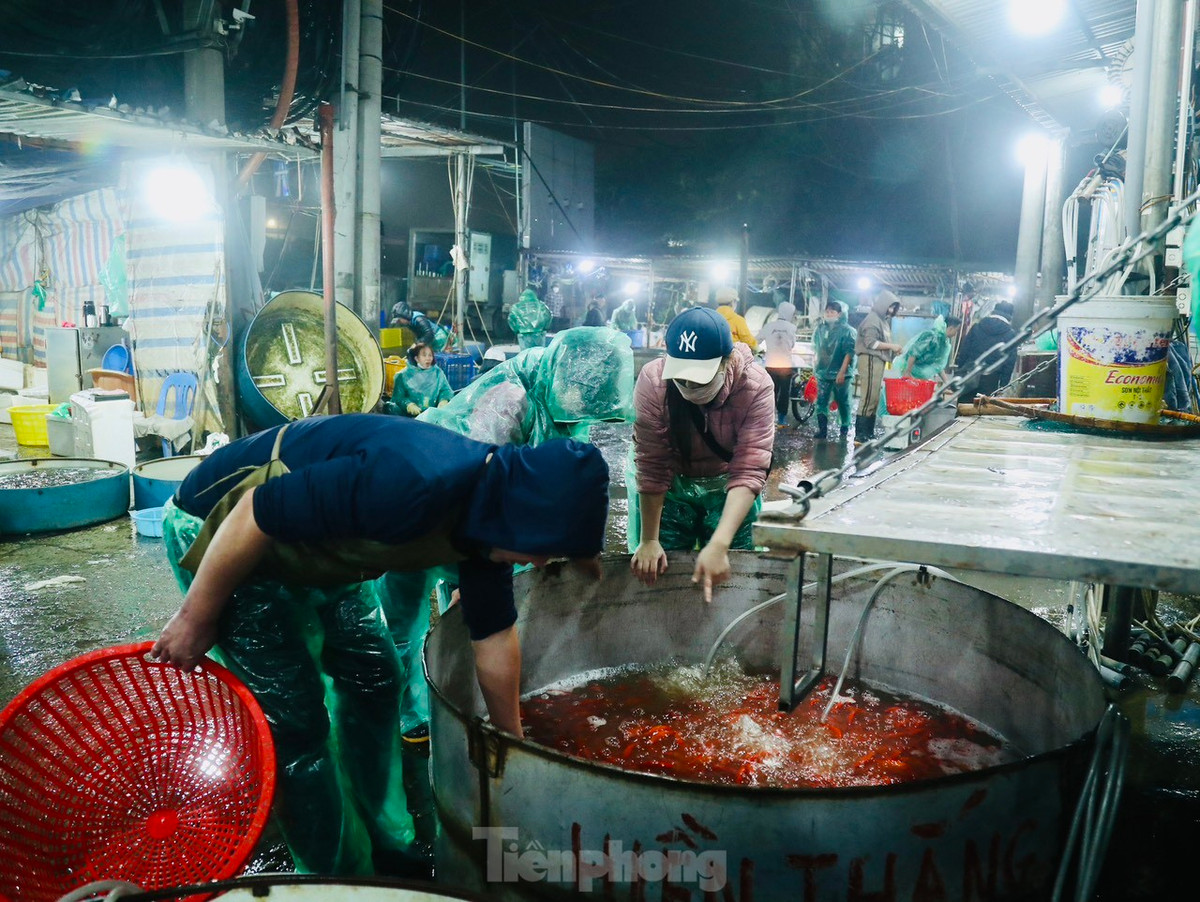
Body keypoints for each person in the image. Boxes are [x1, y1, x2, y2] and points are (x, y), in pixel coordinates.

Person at [153, 415, 609, 877]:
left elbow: (493, 639)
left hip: (318, 547)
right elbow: (255, 511)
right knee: (297, 725)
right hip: (224, 532)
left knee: (376, 678)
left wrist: (512, 744)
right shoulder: (413, 482)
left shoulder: (494, 517)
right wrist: (196, 616)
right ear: (521, 515)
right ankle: (337, 876)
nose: (536, 561)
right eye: (541, 548)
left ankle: (386, 838)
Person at [629, 306, 774, 601]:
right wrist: (649, 539)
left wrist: (720, 543)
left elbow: (749, 466)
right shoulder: (654, 382)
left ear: (726, 361)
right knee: (662, 573)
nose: (689, 387)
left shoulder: (756, 386)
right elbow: (653, 461)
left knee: (732, 577)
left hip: (728, 488)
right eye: (681, 379)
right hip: (671, 490)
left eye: (699, 380)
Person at [854, 289, 903, 439]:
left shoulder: (883, 321)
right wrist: (891, 347)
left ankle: (868, 432)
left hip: (878, 361)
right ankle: (860, 434)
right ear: (883, 304)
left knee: (874, 398)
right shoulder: (872, 319)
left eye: (894, 307)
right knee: (868, 397)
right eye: (891, 306)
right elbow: (871, 343)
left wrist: (893, 350)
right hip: (869, 359)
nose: (892, 310)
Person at [812, 299, 857, 440]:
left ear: (840, 314)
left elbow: (849, 353)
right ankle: (822, 430)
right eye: (827, 311)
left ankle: (844, 427)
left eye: (832, 311)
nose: (829, 314)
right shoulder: (820, 329)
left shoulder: (848, 331)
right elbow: (816, 348)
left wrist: (842, 372)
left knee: (843, 401)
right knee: (821, 401)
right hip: (823, 372)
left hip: (841, 373)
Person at [955, 301, 1017, 398]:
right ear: (1010, 316)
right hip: (991, 378)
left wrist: (960, 371)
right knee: (983, 409)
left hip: (970, 374)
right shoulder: (1010, 334)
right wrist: (1003, 385)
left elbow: (964, 351)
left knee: (964, 407)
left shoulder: (976, 327)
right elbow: (1010, 362)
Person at [756, 301, 798, 428]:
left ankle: (768, 418)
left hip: (770, 365)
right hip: (785, 366)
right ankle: (782, 418)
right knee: (785, 393)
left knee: (771, 391)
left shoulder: (769, 326)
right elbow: (792, 345)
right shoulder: (792, 327)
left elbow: (756, 340)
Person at [386, 342, 453, 416]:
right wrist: (408, 405)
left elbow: (445, 390)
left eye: (430, 355)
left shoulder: (437, 372)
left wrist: (443, 400)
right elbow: (398, 398)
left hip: (432, 415)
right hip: (409, 418)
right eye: (424, 355)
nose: (428, 358)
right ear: (416, 358)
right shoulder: (402, 376)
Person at [713, 286, 758, 351]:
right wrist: (758, 349)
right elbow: (747, 339)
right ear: (733, 302)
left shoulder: (710, 318)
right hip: (732, 357)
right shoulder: (738, 320)